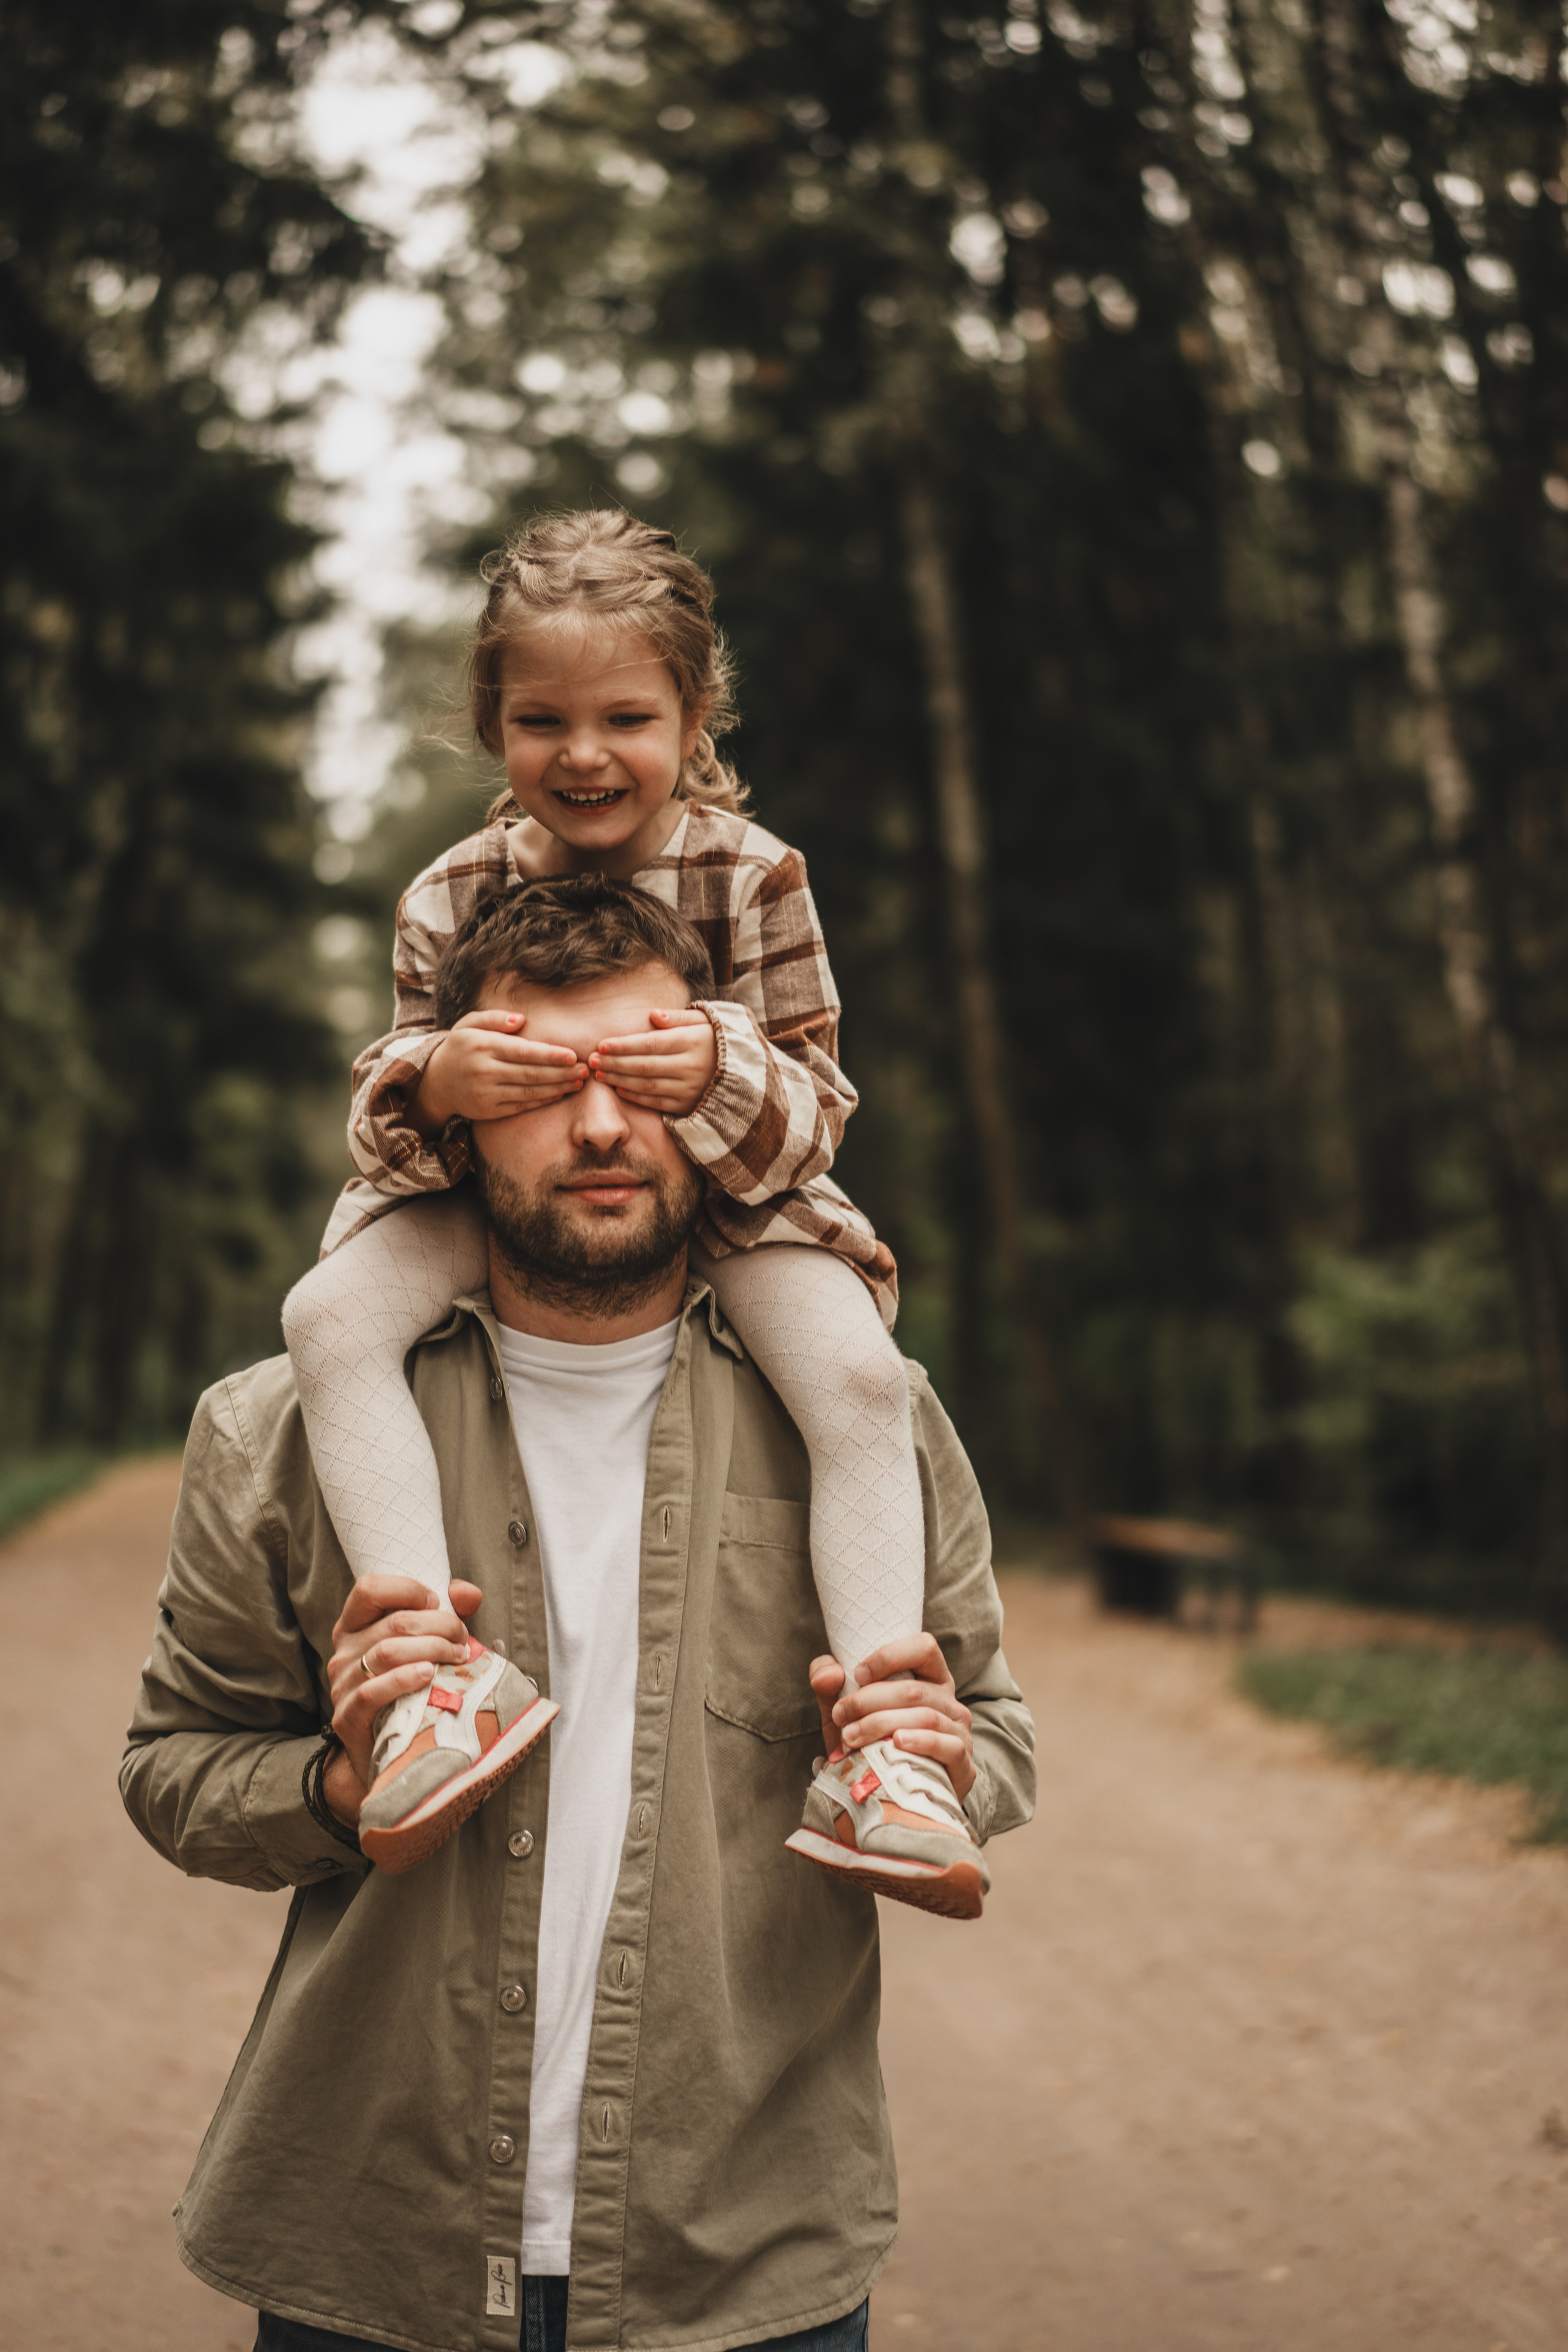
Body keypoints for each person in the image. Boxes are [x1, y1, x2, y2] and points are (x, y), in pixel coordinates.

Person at [121, 876, 1036, 2352]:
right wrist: (341, 1786)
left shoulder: (863, 1411)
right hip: (375, 2253)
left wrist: (942, 1757)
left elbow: (990, 1737)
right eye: (544, 1085)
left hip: (741, 2260)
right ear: (460, 1111)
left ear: (720, 1095)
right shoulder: (277, 1430)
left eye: (648, 1074)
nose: (602, 1130)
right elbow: (172, 1770)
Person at [279, 507, 981, 1907]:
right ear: (492, 725)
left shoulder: (752, 872)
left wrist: (722, 1066)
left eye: (624, 716)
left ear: (692, 711)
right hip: (509, 1195)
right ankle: (435, 1685)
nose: (584, 754)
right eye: (541, 719)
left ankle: (883, 1754)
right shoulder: (449, 895)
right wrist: (441, 1079)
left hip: (732, 1195)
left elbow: (816, 1119)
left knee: (854, 1379)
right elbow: (390, 1139)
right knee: (326, 1314)